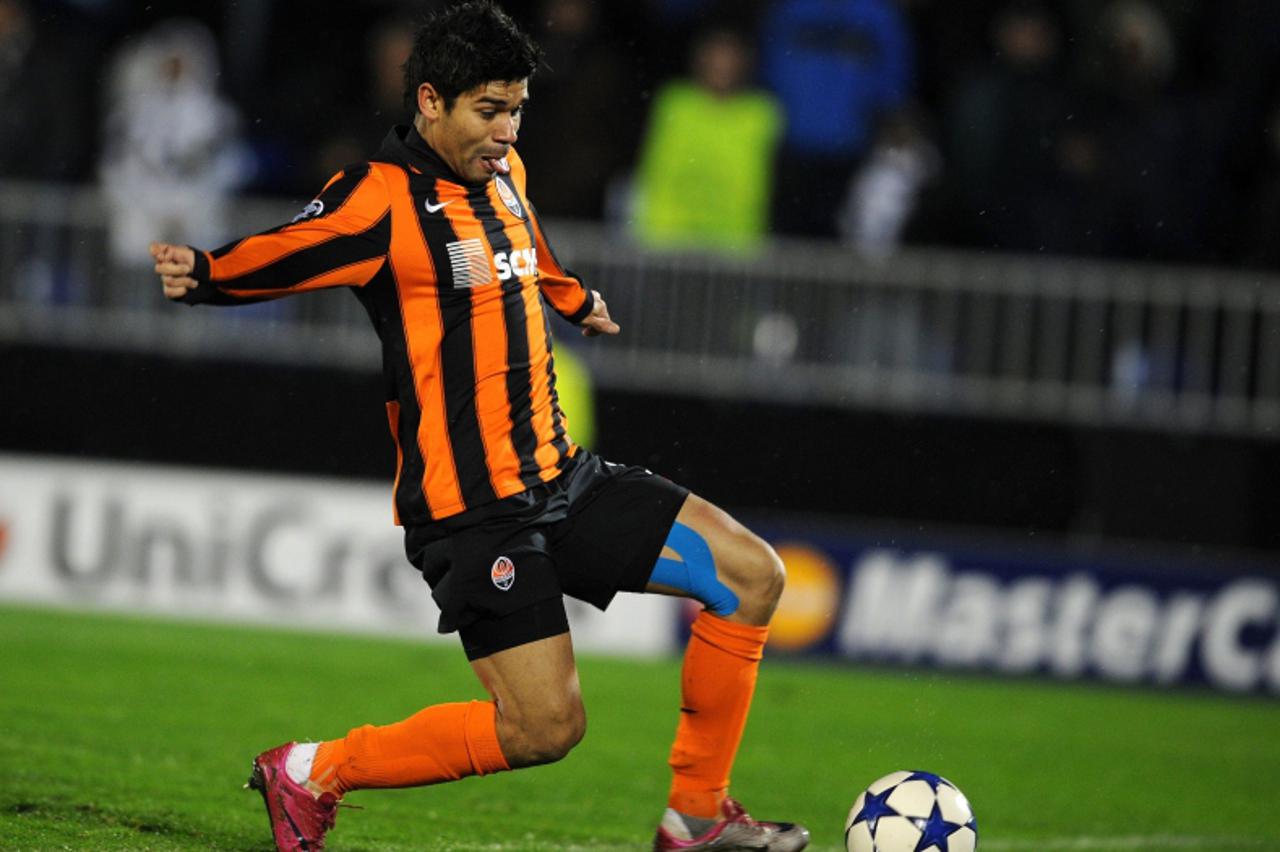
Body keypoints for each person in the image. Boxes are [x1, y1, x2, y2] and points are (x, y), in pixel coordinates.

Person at [149, 4, 809, 851]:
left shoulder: (507, 177)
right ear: (430, 101)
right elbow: (291, 248)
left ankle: (696, 817)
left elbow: (529, 252)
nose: (507, 131)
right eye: (489, 111)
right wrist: (205, 273)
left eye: (518, 110)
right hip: (475, 513)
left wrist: (576, 299)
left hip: (564, 480)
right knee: (544, 730)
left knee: (753, 576)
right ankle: (313, 771)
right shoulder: (379, 199)